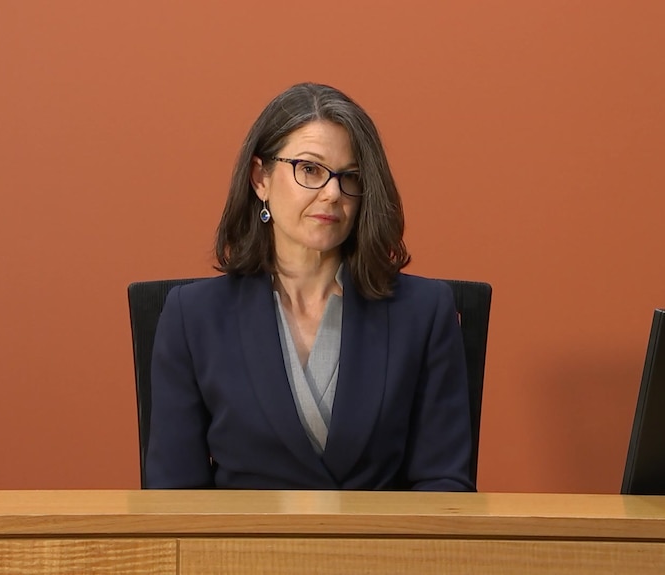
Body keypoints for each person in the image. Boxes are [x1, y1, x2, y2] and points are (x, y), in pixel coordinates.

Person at [146, 82, 474, 491]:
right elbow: (174, 498)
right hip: (241, 553)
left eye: (349, 177)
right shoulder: (191, 317)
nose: (333, 193)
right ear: (259, 178)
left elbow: (443, 485)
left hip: (382, 551)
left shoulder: (425, 312)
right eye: (310, 170)